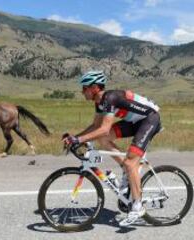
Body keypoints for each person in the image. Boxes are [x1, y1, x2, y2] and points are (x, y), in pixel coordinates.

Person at [63, 70, 162, 227]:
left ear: (95, 87)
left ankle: (137, 206)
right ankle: (126, 169)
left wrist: (79, 139)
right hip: (135, 122)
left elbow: (103, 128)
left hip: (149, 119)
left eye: (84, 88)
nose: (82, 91)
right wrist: (76, 138)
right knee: (104, 139)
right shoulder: (99, 102)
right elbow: (96, 126)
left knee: (131, 163)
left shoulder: (109, 98)